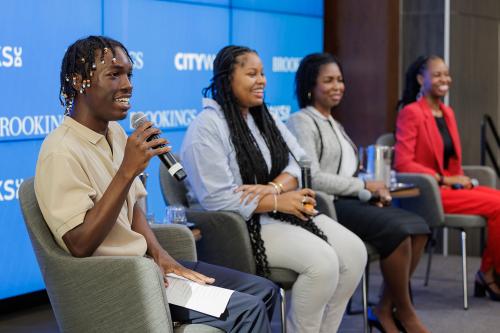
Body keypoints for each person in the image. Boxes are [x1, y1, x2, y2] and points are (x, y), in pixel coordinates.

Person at [34, 36, 279, 332]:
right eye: (114, 75)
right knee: (247, 310)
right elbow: (80, 244)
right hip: (119, 283)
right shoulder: (61, 151)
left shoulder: (115, 133)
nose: (128, 85)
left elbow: (133, 209)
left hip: (149, 270)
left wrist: (162, 256)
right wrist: (126, 171)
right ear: (78, 81)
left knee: (264, 292)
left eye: (129, 74)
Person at [180, 45, 366, 333]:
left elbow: (300, 161)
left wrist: (274, 188)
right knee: (323, 263)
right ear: (227, 79)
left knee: (354, 253)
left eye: (263, 73)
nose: (262, 81)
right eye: (252, 74)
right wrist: (279, 201)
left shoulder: (263, 117)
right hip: (241, 227)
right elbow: (217, 199)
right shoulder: (206, 127)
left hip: (279, 211)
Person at [288, 53, 431, 333]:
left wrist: (371, 192)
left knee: (419, 228)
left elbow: (347, 173)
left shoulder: (334, 123)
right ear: (310, 86)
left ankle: (384, 308)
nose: (337, 86)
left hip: (351, 199)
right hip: (328, 205)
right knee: (398, 231)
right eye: (328, 80)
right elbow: (313, 178)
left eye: (340, 80)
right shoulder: (301, 121)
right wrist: (364, 188)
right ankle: (405, 313)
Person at [394, 55, 500, 302]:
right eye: (438, 74)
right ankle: (489, 273)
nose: (445, 79)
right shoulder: (411, 113)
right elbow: (403, 162)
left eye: (446, 74)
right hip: (428, 191)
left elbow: (451, 160)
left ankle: (487, 270)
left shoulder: (447, 113)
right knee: (497, 205)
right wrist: (442, 179)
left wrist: (458, 178)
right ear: (422, 79)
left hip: (449, 187)